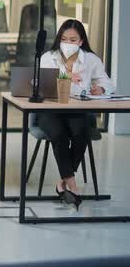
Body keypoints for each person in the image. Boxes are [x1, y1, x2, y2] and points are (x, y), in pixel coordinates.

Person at [39, 19, 115, 209]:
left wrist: (101, 89)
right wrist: (65, 75)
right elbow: (40, 82)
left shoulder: (90, 59)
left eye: (73, 40)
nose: (67, 43)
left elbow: (109, 84)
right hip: (50, 110)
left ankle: (63, 183)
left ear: (81, 41)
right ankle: (72, 184)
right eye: (64, 39)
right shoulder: (49, 57)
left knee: (82, 133)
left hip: (76, 110)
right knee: (59, 135)